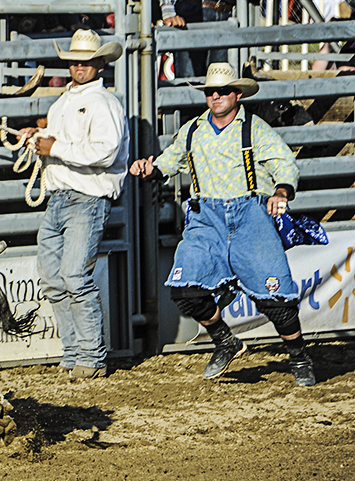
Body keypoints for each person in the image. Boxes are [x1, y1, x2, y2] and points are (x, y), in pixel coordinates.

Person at [129, 63, 316, 387]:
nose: (216, 96)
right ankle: (224, 340)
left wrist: (281, 191)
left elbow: (284, 163)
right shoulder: (192, 131)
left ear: (237, 94)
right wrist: (149, 168)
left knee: (276, 300)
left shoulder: (254, 128)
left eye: (223, 91)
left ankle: (299, 355)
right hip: (207, 217)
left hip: (250, 214)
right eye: (210, 92)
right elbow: (167, 162)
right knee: (184, 290)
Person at [18, 30, 129, 381]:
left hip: (87, 199)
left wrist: (54, 149)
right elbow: (58, 140)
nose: (79, 66)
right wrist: (35, 137)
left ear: (99, 63)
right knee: (53, 277)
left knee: (74, 277)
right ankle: (74, 352)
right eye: (74, 61)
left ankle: (91, 356)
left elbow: (105, 152)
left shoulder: (105, 104)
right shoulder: (63, 102)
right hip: (60, 196)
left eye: (85, 61)